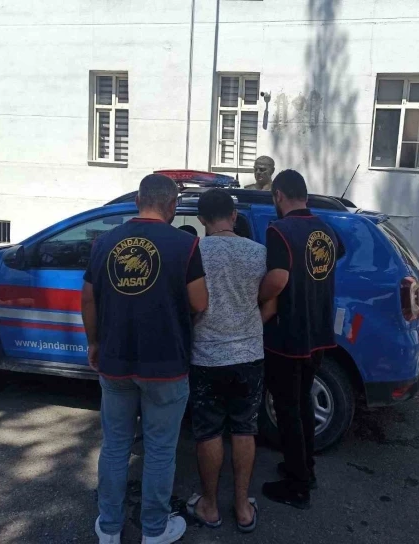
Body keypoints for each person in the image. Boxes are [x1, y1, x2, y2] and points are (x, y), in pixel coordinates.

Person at [81, 174, 208, 544]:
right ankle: (154, 530)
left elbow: (87, 298)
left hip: (115, 361)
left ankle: (109, 528)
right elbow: (200, 302)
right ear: (172, 207)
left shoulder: (104, 242)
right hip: (166, 364)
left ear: (138, 201)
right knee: (160, 450)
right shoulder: (185, 244)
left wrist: (94, 342)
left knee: (115, 446)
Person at [185, 189, 274, 533]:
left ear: (201, 220)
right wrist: (248, 328)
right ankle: (242, 507)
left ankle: (209, 506)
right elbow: (270, 301)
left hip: (206, 356)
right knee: (244, 429)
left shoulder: (195, 252)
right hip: (249, 356)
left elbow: (191, 304)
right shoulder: (259, 253)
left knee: (208, 431)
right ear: (234, 216)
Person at [258, 169, 345, 509]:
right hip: (318, 334)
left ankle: (297, 486)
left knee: (287, 409)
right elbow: (335, 255)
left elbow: (278, 279)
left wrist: (257, 298)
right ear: (305, 195)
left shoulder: (279, 230)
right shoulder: (326, 229)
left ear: (278, 195)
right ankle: (305, 469)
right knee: (303, 402)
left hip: (288, 335)